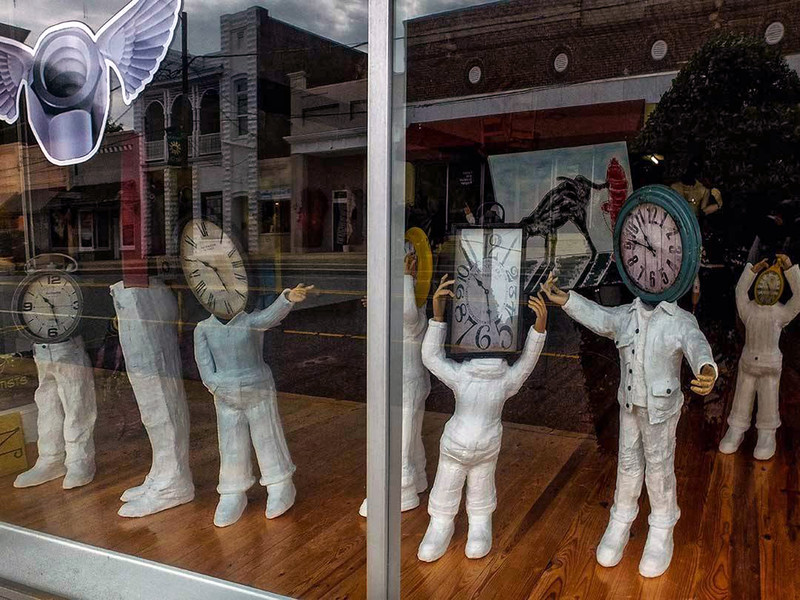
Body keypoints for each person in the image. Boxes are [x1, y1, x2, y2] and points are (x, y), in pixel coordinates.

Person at [541, 272, 717, 578]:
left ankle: (662, 526)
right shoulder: (626, 315)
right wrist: (568, 300)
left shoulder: (680, 321)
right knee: (627, 464)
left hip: (660, 411)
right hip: (630, 406)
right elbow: (600, 317)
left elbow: (696, 343)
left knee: (659, 467)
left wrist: (706, 367)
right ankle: (621, 518)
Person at [417, 276, 547, 562]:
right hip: (456, 448)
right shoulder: (464, 376)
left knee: (481, 490)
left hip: (484, 450)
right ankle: (440, 524)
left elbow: (526, 365)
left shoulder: (504, 380)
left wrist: (538, 330)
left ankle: (479, 525)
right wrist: (437, 317)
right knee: (446, 489)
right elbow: (430, 358)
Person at [194, 283, 313, 527]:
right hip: (225, 394)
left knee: (267, 436)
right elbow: (204, 364)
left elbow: (270, 316)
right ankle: (232, 491)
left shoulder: (249, 321)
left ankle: (280, 484)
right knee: (230, 443)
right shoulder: (204, 328)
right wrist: (216, 386)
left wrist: (287, 298)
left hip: (257, 387)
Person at [359, 252, 430, 516]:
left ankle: (402, 488)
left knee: (400, 434)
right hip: (407, 378)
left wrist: (406, 279)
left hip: (406, 379)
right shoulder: (410, 304)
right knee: (410, 432)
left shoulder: (414, 309)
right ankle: (418, 477)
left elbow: (408, 314)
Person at [719, 254, 800, 460]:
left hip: (769, 366)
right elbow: (740, 292)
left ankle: (766, 434)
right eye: (763, 284)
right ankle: (736, 429)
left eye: (773, 286)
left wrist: (790, 270)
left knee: (768, 400)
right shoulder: (748, 310)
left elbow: (798, 299)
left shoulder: (780, 313)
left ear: (779, 289)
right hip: (748, 364)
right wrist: (751, 271)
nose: (767, 289)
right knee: (742, 397)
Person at [14, 336, 96, 490]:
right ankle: (50, 458)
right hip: (41, 346)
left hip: (69, 344)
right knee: (47, 403)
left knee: (76, 401)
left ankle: (80, 459)